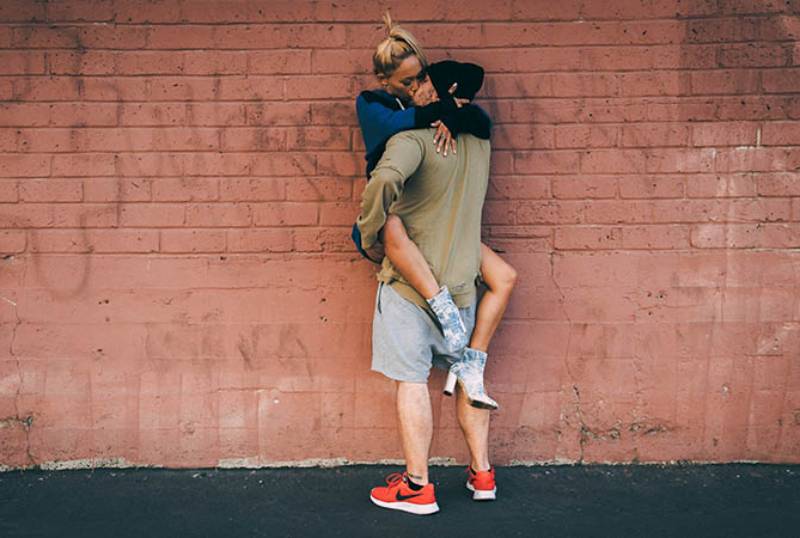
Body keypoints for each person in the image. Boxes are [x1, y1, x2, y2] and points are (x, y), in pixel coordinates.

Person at [357, 58, 503, 515]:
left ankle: (418, 486)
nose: (418, 87)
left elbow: (383, 179)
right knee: (468, 377)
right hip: (461, 288)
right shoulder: (479, 141)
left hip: (410, 289)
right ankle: (482, 474)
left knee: (412, 381)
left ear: (440, 90)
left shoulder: (411, 139)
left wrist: (368, 232)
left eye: (424, 81)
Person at [353, 13, 517, 411]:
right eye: (405, 82)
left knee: (505, 276)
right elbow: (397, 125)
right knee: (388, 226)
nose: (413, 88)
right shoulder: (372, 103)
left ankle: (470, 358)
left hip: (430, 216)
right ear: (385, 81)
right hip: (393, 210)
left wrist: (456, 114)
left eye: (419, 77)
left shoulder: (438, 115)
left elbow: (478, 112)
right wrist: (442, 112)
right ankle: (446, 313)